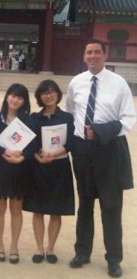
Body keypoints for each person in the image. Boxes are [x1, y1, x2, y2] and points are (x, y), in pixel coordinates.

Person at [65, 39, 136, 278]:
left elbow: (128, 119)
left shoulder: (118, 84)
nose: (93, 56)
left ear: (105, 55)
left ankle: (113, 258)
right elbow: (71, 111)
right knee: (85, 204)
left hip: (109, 149)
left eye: (97, 52)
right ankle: (82, 252)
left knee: (111, 206)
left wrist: (102, 131)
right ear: (84, 57)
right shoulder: (77, 82)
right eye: (89, 52)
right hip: (82, 151)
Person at [22, 79, 75, 265]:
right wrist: (39, 158)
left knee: (56, 210)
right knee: (38, 210)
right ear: (39, 97)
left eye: (52, 92)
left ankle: (51, 248)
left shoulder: (67, 118)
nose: (49, 95)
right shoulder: (34, 119)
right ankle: (39, 248)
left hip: (60, 167)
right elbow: (30, 144)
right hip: (38, 168)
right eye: (45, 92)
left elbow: (71, 143)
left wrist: (54, 154)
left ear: (58, 95)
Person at [0, 83, 36, 264]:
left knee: (16, 208)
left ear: (24, 101)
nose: (15, 100)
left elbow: (34, 146)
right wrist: (3, 152)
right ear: (7, 97)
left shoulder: (28, 121)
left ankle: (14, 246)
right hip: (0, 168)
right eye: (13, 96)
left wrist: (22, 157)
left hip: (19, 169)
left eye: (20, 97)